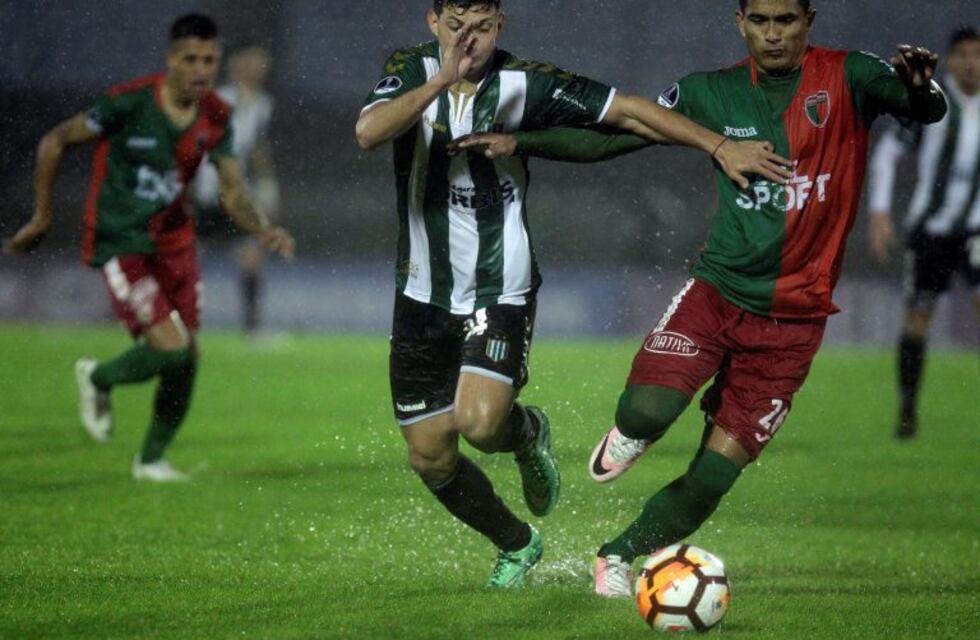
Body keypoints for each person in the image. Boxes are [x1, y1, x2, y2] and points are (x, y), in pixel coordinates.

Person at [454, 0, 947, 597]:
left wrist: (921, 92)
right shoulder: (709, 92)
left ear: (809, 21)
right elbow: (618, 136)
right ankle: (632, 433)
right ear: (740, 22)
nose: (773, 34)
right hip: (717, 293)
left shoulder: (850, 76)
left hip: (796, 322)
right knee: (646, 413)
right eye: (760, 20)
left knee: (715, 474)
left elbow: (922, 108)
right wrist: (522, 141)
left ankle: (619, 556)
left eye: (786, 20)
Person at [355, 0, 793, 588]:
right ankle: (517, 544)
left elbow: (630, 111)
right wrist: (442, 79)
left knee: (481, 425)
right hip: (420, 292)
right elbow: (367, 133)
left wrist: (716, 146)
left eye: (482, 28)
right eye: (456, 26)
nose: (469, 41)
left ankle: (525, 432)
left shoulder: (527, 82)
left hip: (499, 284)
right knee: (430, 455)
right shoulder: (410, 70)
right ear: (433, 23)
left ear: (500, 27)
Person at [2, 14, 295, 481]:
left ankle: (151, 460)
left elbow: (233, 188)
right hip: (122, 240)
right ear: (171, 60)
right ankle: (98, 377)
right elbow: (56, 140)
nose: (201, 69)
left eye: (209, 60)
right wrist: (41, 215)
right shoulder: (128, 103)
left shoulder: (216, 116)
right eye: (190, 59)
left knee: (189, 354)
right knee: (172, 348)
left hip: (176, 243)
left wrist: (262, 227)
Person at [867, 26, 980, 439]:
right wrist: (879, 213)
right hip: (930, 233)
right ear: (951, 61)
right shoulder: (933, 101)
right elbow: (888, 153)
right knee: (918, 318)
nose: (971, 63)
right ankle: (908, 410)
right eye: (964, 55)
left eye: (978, 55)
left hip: (975, 231)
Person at [194, 40, 281, 337]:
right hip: (207, 190)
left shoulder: (262, 103)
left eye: (263, 62)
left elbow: (257, 146)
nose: (259, 68)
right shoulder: (216, 99)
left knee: (251, 256)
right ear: (236, 63)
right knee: (185, 258)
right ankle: (163, 320)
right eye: (253, 61)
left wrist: (267, 185)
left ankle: (251, 329)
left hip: (235, 195)